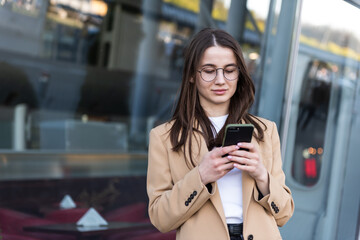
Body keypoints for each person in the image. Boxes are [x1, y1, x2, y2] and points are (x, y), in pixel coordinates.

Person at [147, 28, 294, 240]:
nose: (220, 80)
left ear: (239, 74)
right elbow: (160, 218)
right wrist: (200, 177)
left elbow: (284, 214)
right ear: (191, 75)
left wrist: (262, 175)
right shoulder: (164, 137)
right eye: (208, 70)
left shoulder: (265, 131)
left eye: (229, 70)